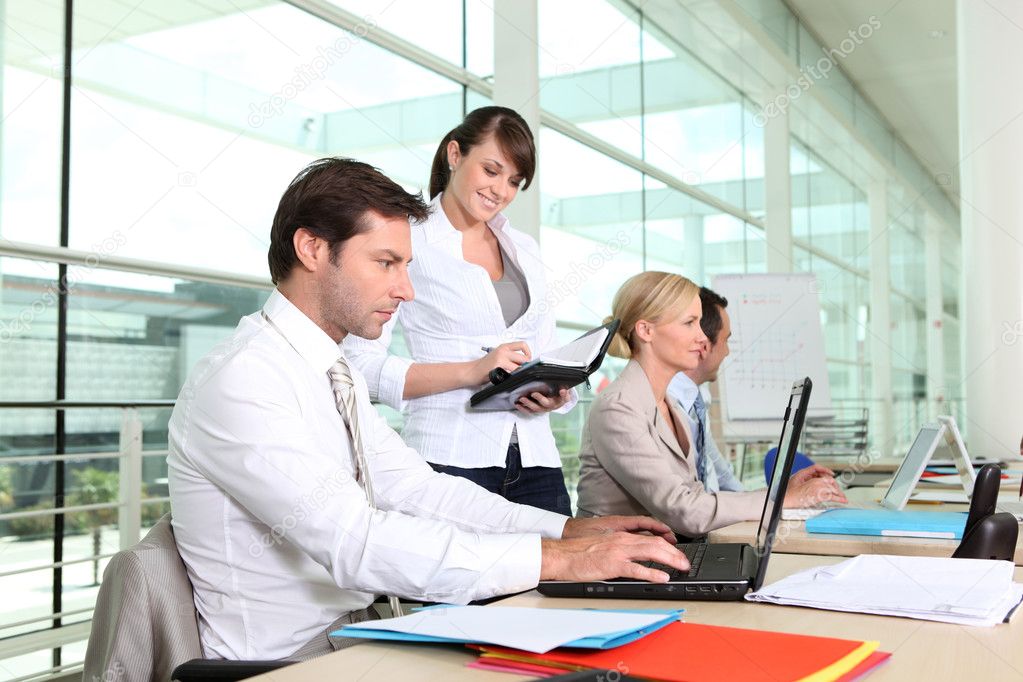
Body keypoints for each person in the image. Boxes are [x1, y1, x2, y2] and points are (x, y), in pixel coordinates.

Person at [167, 158, 688, 661]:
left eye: (407, 265)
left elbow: (416, 489)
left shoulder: (329, 370)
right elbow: (355, 542)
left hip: (354, 635)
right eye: (385, 263)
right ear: (312, 249)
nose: (406, 290)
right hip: (289, 660)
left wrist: (565, 533)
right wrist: (555, 560)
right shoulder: (245, 378)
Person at [344, 107, 573, 515]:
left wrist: (555, 394)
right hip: (449, 458)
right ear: (455, 155)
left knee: (562, 577)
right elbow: (357, 364)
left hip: (538, 461)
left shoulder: (526, 249)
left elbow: (546, 348)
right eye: (491, 170)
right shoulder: (409, 239)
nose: (501, 190)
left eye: (514, 181)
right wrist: (471, 371)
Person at [575, 271, 846, 538]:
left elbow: (696, 498)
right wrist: (782, 500)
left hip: (662, 554)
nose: (703, 338)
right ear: (646, 330)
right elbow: (686, 511)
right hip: (616, 566)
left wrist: (777, 494)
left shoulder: (671, 406)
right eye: (689, 323)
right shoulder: (618, 408)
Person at [666, 287, 744, 492]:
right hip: (695, 518)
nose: (727, 352)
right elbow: (681, 501)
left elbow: (721, 473)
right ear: (704, 345)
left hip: (713, 515)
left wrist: (768, 503)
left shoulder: (698, 398)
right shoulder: (664, 404)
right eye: (726, 340)